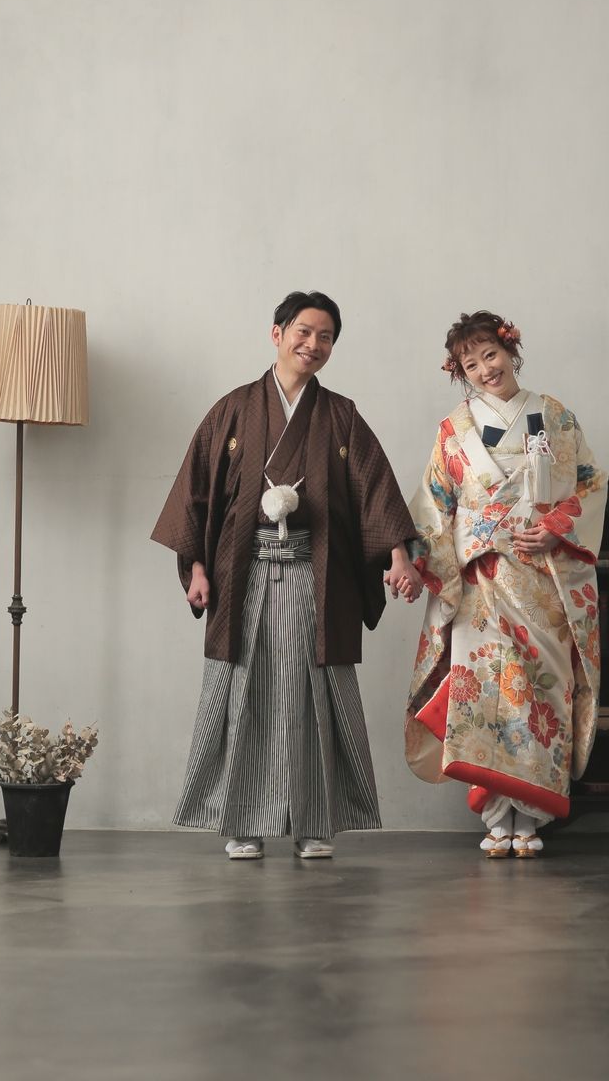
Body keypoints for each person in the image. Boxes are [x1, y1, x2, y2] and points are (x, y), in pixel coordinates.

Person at [152, 291, 422, 860]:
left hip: (315, 576)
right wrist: (196, 567)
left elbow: (374, 489)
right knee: (243, 693)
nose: (313, 344)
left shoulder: (341, 416)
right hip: (243, 575)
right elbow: (196, 492)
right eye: (304, 331)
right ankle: (242, 823)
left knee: (313, 696)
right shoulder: (233, 410)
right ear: (277, 333)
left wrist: (398, 555)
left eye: (326, 336)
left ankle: (314, 822)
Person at [404, 311, 605, 858]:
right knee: (485, 692)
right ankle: (496, 817)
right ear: (461, 372)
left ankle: (531, 818)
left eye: (490, 355)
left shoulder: (554, 417)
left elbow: (590, 483)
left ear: (511, 351)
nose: (484, 369)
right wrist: (420, 560)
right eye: (470, 364)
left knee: (541, 691)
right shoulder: (454, 430)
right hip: (480, 583)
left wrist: (557, 527)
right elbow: (434, 504)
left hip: (544, 580)